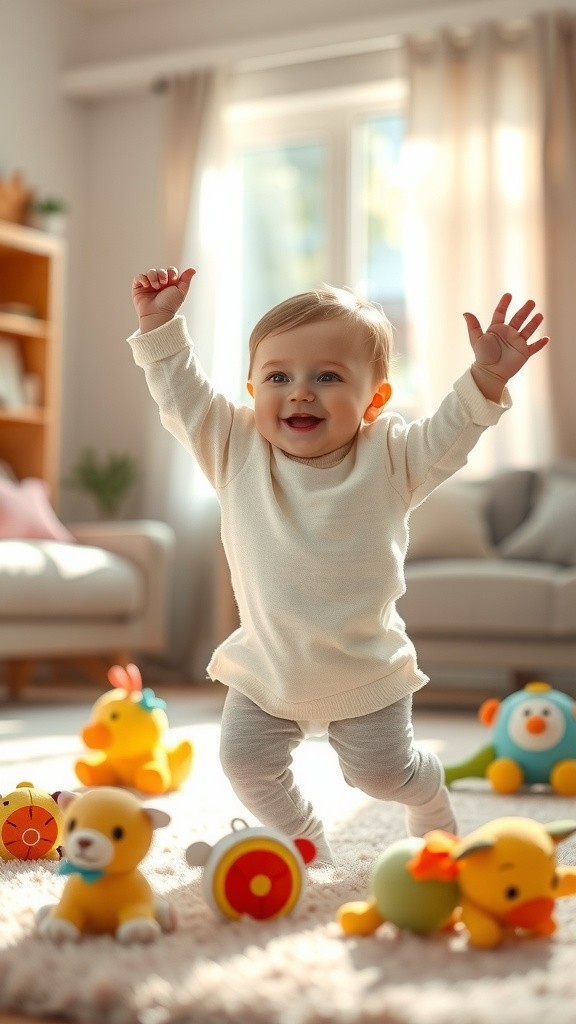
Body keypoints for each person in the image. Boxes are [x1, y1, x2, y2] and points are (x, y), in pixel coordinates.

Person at [129, 266, 549, 864]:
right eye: (278, 376)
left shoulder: (394, 456)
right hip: (267, 666)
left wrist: (485, 376)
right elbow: (180, 395)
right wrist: (160, 327)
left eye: (327, 376)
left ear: (374, 399)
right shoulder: (233, 446)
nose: (300, 391)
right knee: (244, 763)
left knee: (380, 774)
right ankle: (306, 841)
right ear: (252, 391)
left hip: (365, 667)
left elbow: (451, 434)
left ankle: (428, 794)